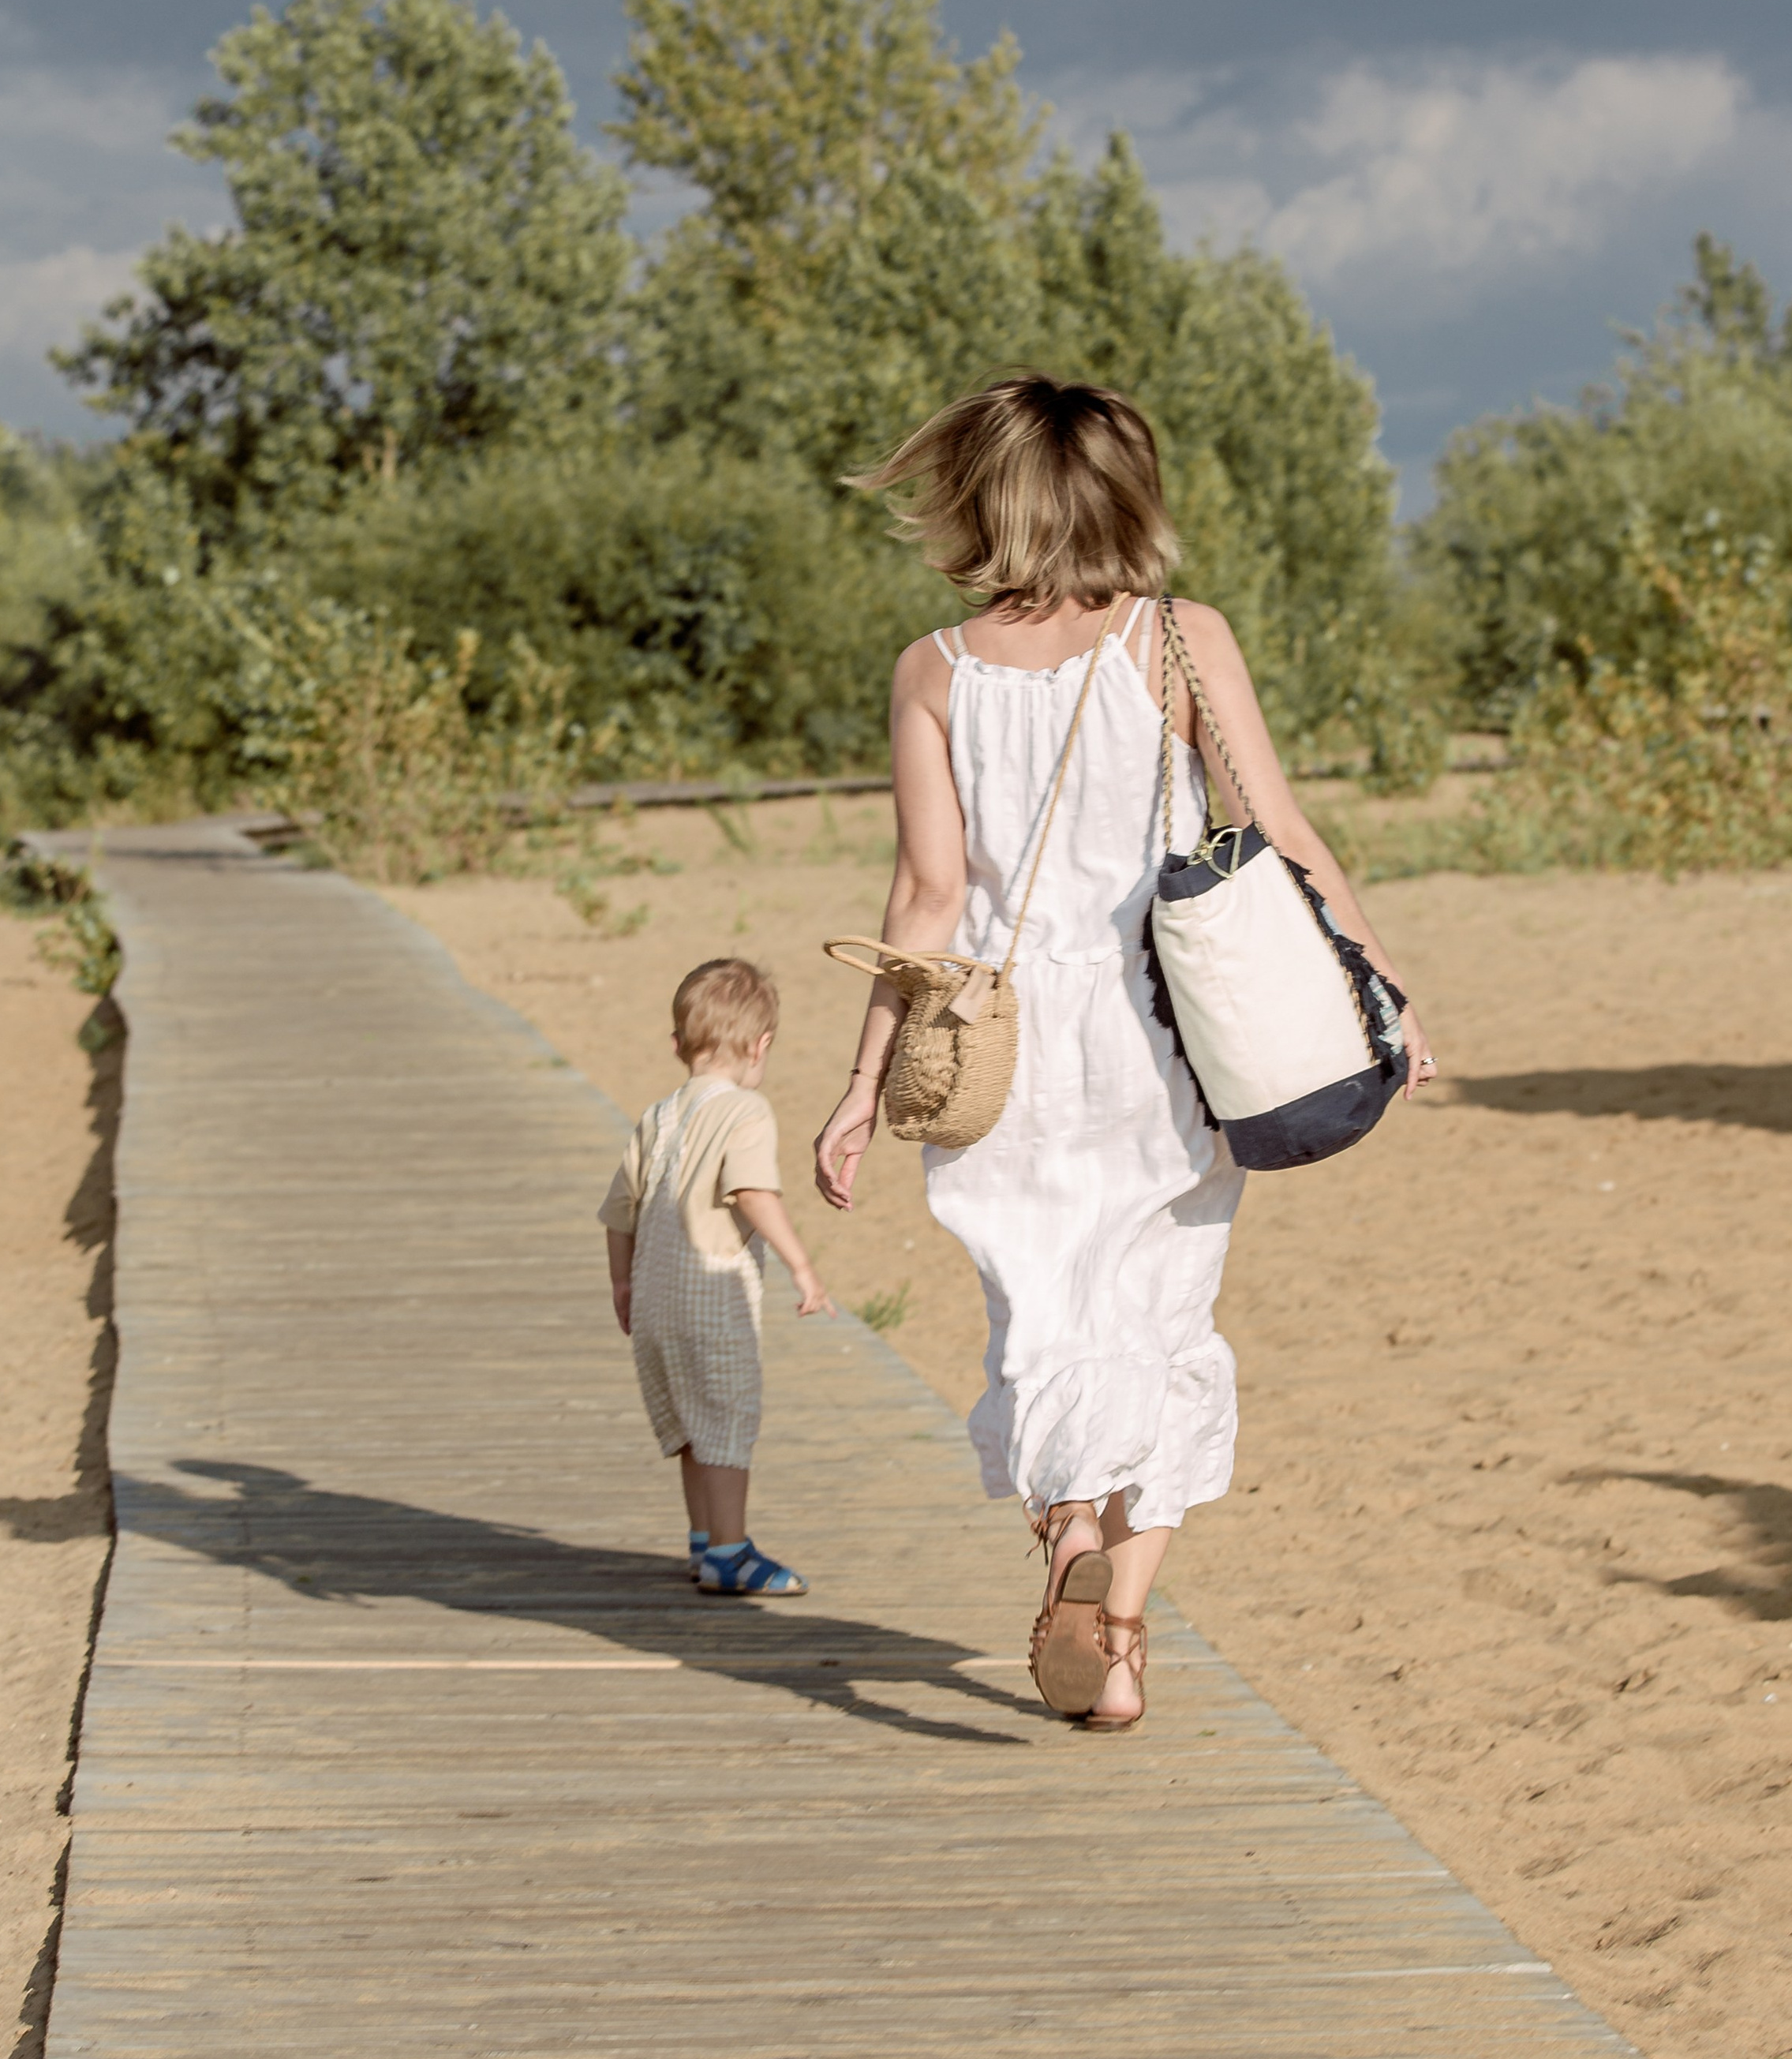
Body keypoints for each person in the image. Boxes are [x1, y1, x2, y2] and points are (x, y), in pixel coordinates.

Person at [814, 377, 1434, 1728]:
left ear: (981, 499)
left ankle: (1068, 1531)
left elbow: (926, 897)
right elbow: (1278, 833)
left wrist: (863, 1083)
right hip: (1167, 1036)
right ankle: (1122, 1635)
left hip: (1003, 1049)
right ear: (1125, 494)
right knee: (1160, 1319)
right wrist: (1376, 983)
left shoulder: (936, 668)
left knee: (1044, 1324)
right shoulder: (1181, 639)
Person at [601, 955, 833, 1597]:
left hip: (655, 1299)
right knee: (727, 1421)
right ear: (761, 1046)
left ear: (678, 1044)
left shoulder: (657, 1117)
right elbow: (753, 1191)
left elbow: (619, 1212)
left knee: (689, 1423)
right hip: (711, 1299)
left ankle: (704, 1540)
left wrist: (622, 1284)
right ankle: (730, 1552)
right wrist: (802, 1266)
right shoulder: (745, 1111)